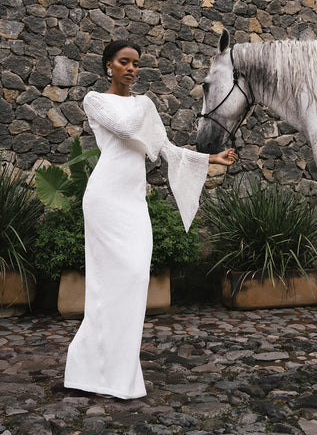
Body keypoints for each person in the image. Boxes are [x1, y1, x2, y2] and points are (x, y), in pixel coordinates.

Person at [64, 40, 237, 400]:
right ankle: (89, 371)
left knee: (136, 277)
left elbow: (166, 150)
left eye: (136, 63)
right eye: (123, 62)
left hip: (133, 202)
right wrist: (144, 105)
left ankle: (118, 371)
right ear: (108, 65)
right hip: (105, 200)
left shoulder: (143, 106)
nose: (131, 68)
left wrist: (211, 159)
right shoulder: (96, 100)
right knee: (105, 285)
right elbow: (127, 131)